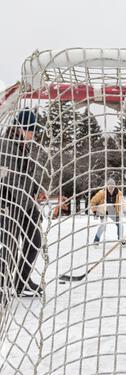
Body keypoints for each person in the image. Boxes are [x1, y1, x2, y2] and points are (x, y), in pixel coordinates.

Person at [0, 109, 43, 298]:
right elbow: (13, 181)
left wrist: (36, 190)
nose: (33, 134)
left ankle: (20, 280)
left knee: (34, 240)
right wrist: (31, 205)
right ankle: (2, 283)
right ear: (20, 128)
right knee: (8, 243)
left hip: (24, 203)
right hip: (9, 202)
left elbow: (26, 176)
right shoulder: (6, 144)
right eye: (31, 130)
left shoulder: (22, 145)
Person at [90, 178, 126, 246]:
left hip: (114, 211)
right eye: (109, 187)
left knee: (120, 225)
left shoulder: (119, 193)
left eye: (112, 187)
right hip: (104, 211)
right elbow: (93, 201)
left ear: (114, 187)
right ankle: (96, 240)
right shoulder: (101, 193)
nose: (111, 189)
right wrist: (94, 211)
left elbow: (122, 203)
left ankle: (121, 239)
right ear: (107, 187)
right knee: (103, 225)